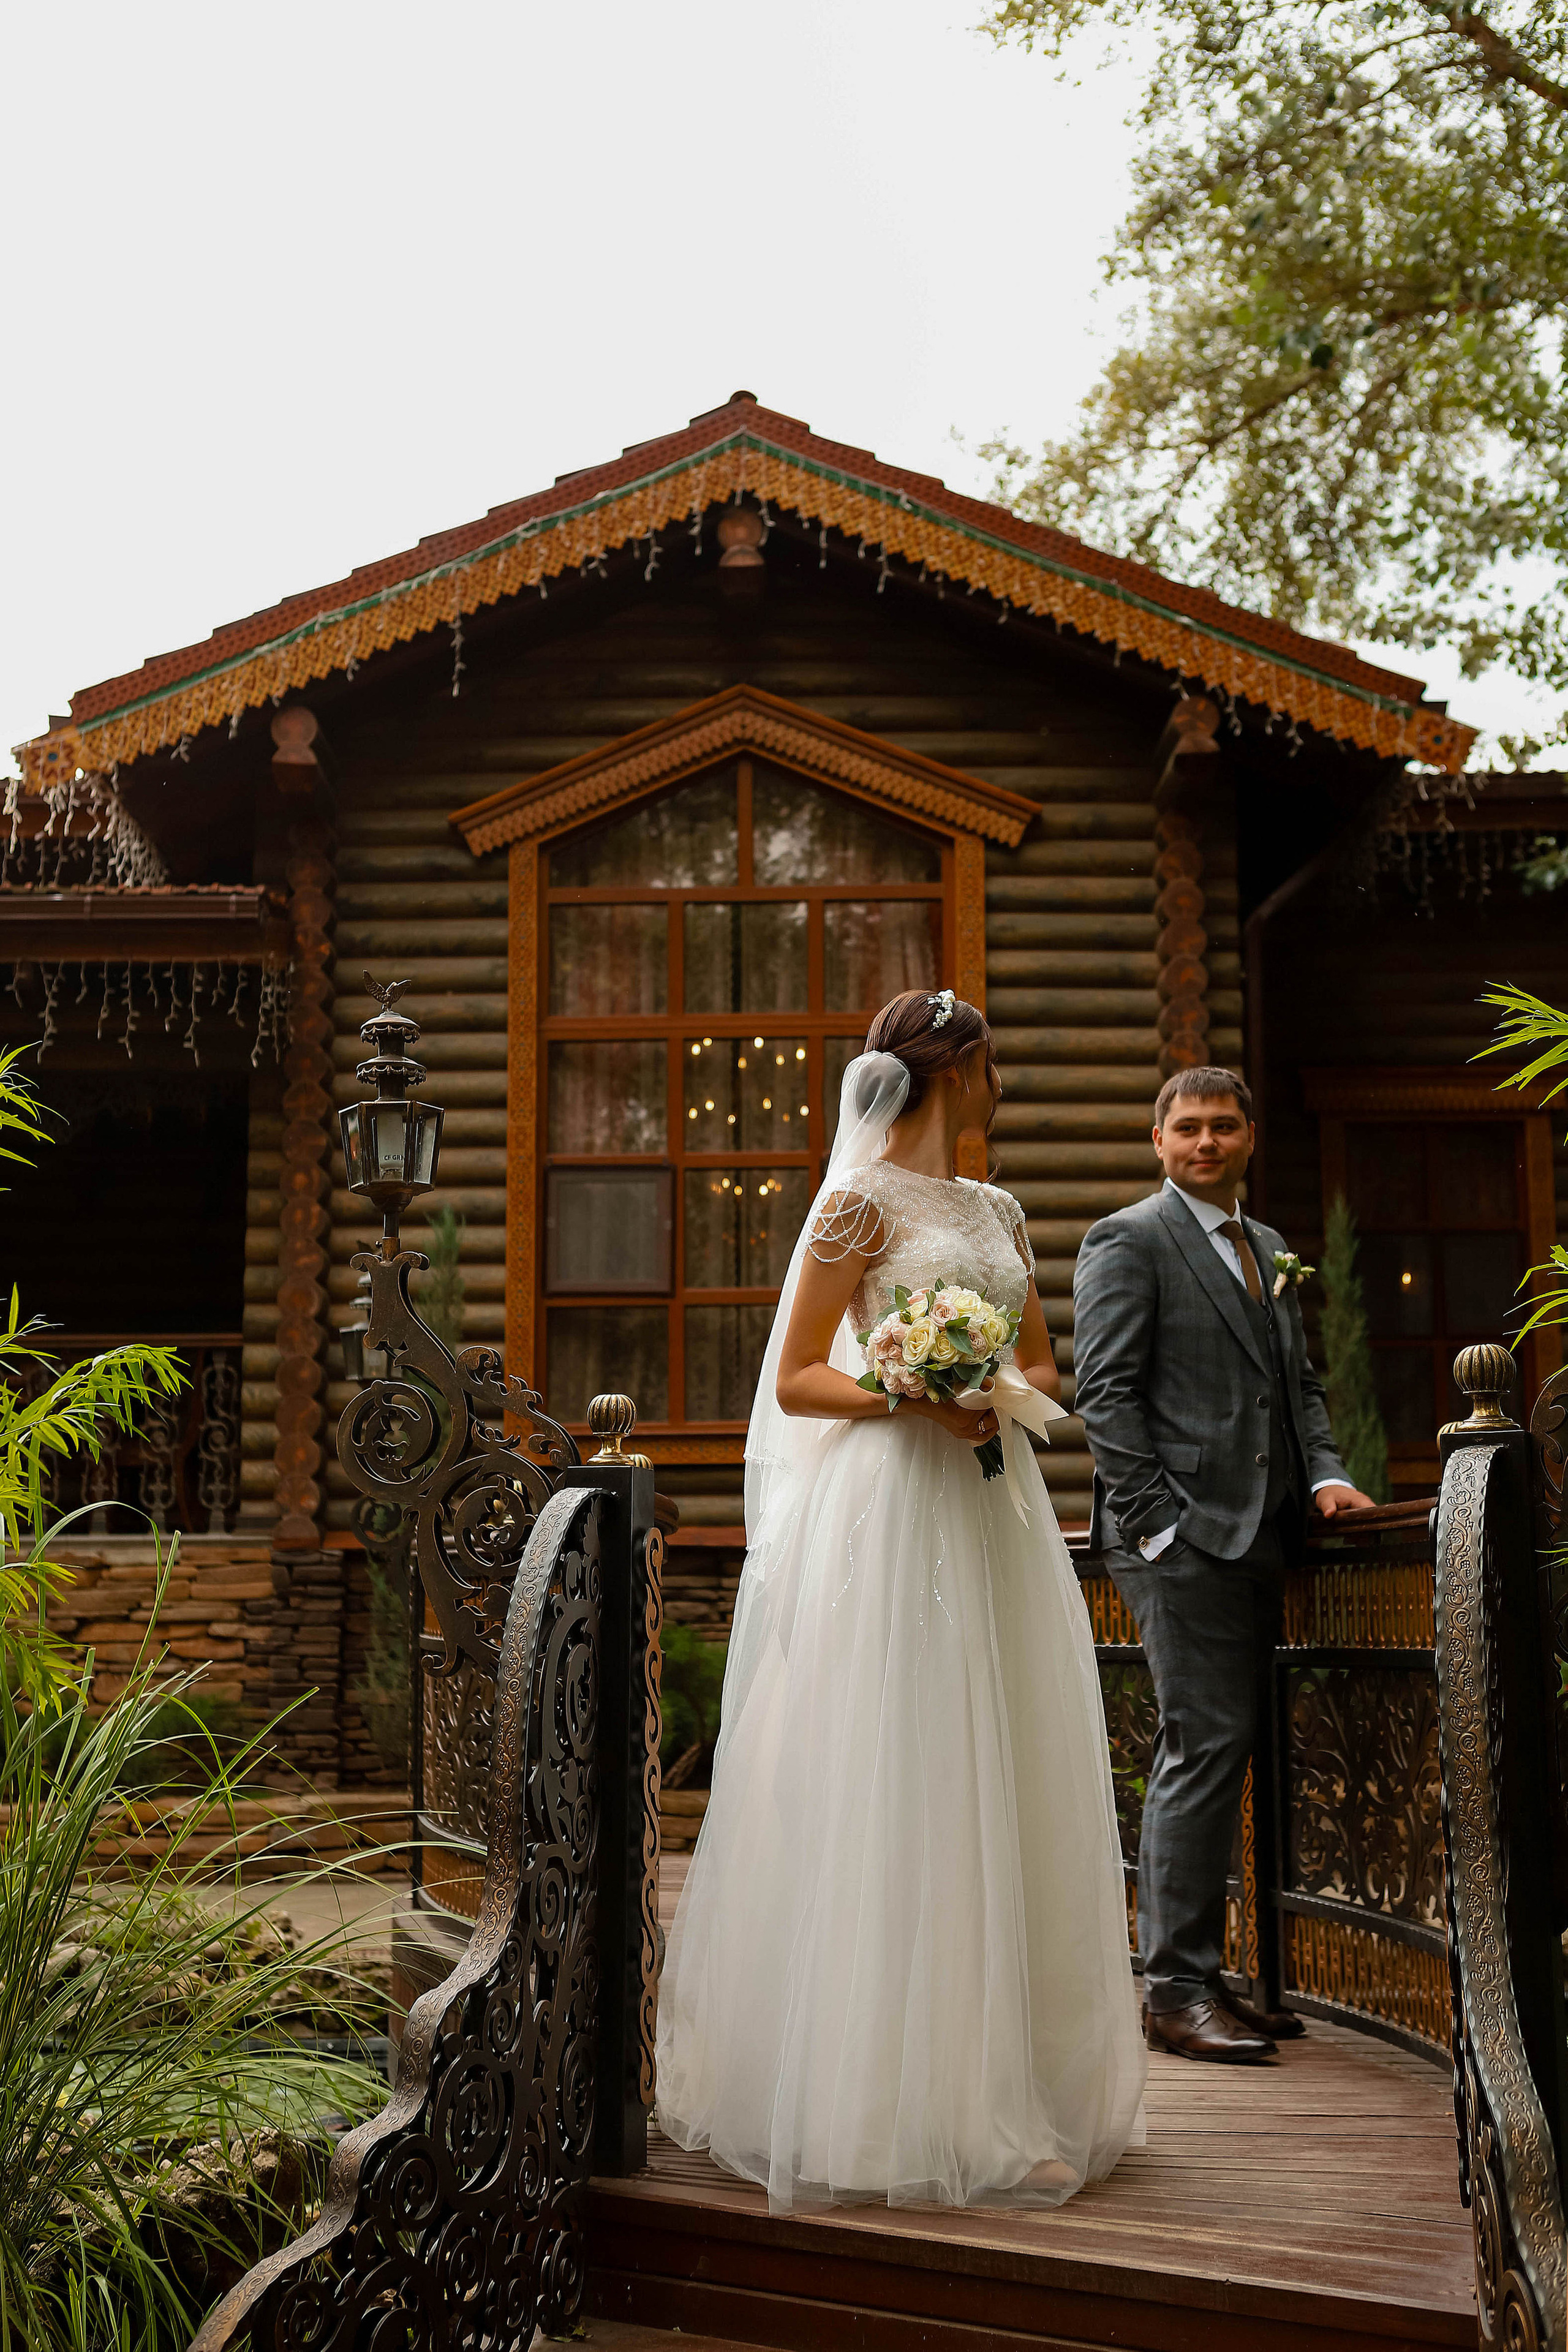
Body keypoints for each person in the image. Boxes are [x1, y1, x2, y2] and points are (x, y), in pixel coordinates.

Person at [656, 990, 1147, 2214]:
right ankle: (900, 2098)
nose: (1000, 1083)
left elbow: (1040, 1362)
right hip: (891, 1508)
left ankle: (1016, 2080)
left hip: (991, 1504)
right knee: (906, 1766)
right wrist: (906, 1391)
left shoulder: (996, 1209)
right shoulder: (854, 1203)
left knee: (1008, 1762)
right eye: (992, 1062)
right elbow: (799, 1378)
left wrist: (986, 1380)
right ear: (960, 1066)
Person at [1072, 1066, 1374, 2064]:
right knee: (1202, 1745)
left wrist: (1327, 1475)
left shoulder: (1270, 1248)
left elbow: (1302, 1388)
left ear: (1249, 1138)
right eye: (1188, 1127)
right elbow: (1106, 1396)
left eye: (1224, 1125)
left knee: (1229, 1746)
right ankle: (1173, 1991)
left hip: (1269, 1531)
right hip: (1181, 1541)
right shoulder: (1129, 1239)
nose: (1206, 1141)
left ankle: (1216, 1975)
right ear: (1157, 1141)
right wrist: (1157, 1526)